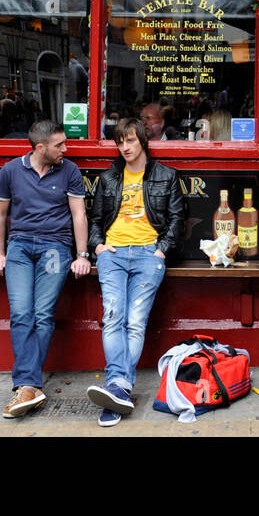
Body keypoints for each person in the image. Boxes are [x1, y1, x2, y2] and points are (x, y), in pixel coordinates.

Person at [86, 117, 185, 427]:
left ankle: (116, 387)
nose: (124, 147)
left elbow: (177, 219)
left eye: (130, 141)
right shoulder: (109, 178)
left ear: (143, 141)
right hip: (113, 255)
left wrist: (160, 250)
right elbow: (96, 219)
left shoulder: (166, 176)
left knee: (135, 321)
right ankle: (121, 385)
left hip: (147, 255)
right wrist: (98, 245)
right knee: (114, 315)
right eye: (119, 141)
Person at [0, 120, 91, 419]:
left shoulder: (69, 170)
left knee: (43, 313)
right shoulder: (11, 171)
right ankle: (29, 384)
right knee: (22, 312)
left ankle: (26, 386)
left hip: (54, 247)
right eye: (59, 145)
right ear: (40, 148)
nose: (66, 149)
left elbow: (78, 214)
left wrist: (82, 254)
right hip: (19, 246)